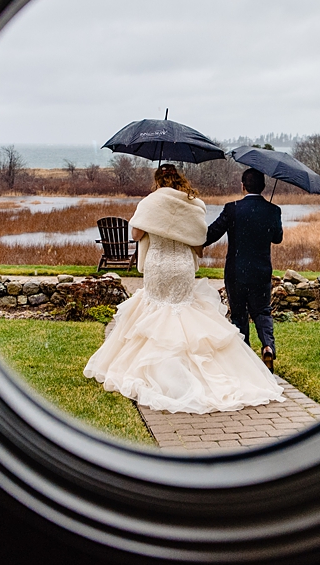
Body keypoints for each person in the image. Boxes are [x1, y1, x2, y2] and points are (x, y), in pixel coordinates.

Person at [83, 164, 284, 414]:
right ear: (180, 180)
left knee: (158, 309)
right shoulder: (193, 204)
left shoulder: (150, 202)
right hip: (184, 266)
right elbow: (200, 239)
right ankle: (251, 354)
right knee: (185, 309)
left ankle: (162, 369)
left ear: (158, 180)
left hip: (158, 263)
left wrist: (150, 219)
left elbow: (135, 234)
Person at [204, 167, 283, 371]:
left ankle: (245, 359)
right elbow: (277, 238)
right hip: (261, 271)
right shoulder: (273, 210)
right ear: (264, 187)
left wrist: (190, 239)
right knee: (262, 311)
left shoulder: (232, 209)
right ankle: (267, 346)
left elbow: (211, 234)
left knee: (239, 314)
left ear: (243, 186)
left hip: (236, 272)